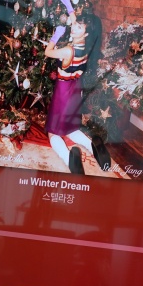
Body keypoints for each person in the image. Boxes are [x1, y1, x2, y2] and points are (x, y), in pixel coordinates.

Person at [42, 11, 111, 174]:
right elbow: (78, 24)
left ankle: (70, 160)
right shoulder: (86, 47)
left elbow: (47, 52)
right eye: (74, 24)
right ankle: (93, 146)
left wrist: (56, 36)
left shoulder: (68, 50)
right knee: (71, 127)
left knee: (53, 132)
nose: (73, 28)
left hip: (63, 92)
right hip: (75, 90)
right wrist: (69, 7)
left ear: (86, 33)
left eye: (78, 27)